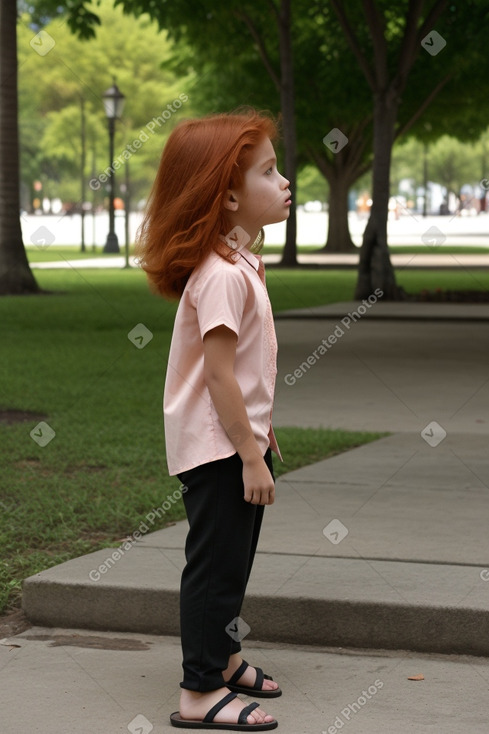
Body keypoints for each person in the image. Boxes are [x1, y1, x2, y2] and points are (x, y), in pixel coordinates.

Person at [137, 109, 291, 731]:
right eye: (270, 171)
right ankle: (198, 691)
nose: (284, 182)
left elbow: (244, 373)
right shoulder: (222, 277)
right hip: (219, 449)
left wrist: (263, 432)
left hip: (237, 440)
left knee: (236, 560)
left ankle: (224, 660)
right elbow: (220, 377)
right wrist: (250, 455)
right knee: (214, 565)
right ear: (227, 196)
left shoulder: (241, 264)